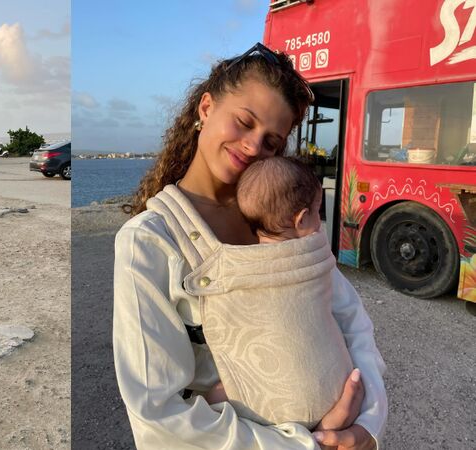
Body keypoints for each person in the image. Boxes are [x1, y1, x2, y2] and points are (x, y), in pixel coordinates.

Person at [113, 43, 387, 449]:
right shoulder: (150, 241)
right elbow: (157, 412)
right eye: (244, 122)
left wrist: (368, 426)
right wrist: (303, 445)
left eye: (272, 142)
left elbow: (350, 320)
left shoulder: (280, 217)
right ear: (205, 108)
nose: (254, 146)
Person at [196, 156, 354, 431]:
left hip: (265, 402)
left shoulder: (238, 264)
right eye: (318, 213)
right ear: (302, 219)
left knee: (213, 396)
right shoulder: (317, 254)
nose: (319, 223)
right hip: (334, 391)